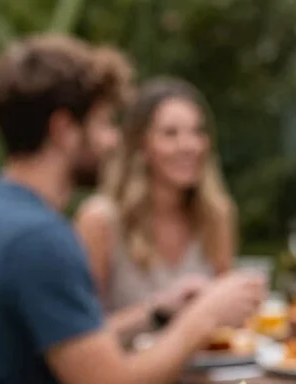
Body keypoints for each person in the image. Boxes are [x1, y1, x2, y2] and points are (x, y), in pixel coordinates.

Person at [0, 36, 263, 384]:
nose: (114, 140)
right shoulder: (41, 239)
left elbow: (77, 349)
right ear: (62, 129)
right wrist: (206, 313)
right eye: (104, 123)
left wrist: (160, 311)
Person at [76, 77, 236, 343]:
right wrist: (157, 310)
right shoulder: (100, 220)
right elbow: (81, 338)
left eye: (197, 132)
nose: (189, 145)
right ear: (142, 146)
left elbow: (228, 328)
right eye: (170, 134)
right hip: (127, 380)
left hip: (206, 380)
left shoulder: (216, 216)